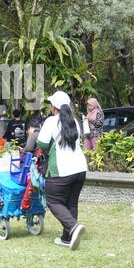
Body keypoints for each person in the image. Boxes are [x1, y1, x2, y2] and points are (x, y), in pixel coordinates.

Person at [37, 91, 87, 250]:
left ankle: (73, 226)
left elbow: (42, 144)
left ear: (54, 107)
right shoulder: (74, 121)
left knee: (53, 201)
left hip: (62, 170)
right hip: (80, 169)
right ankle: (67, 238)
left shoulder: (51, 121)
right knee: (71, 203)